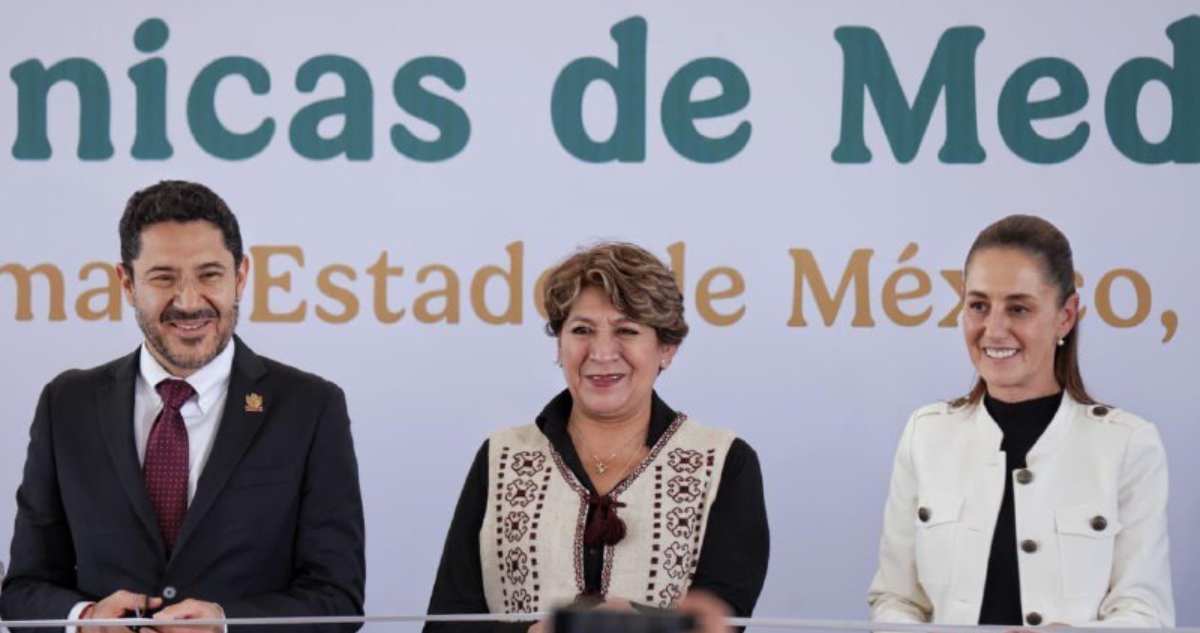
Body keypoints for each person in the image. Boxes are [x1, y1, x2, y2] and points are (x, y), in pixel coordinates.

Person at [0, 180, 366, 633]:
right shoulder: (66, 405)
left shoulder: (311, 407)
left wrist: (227, 624)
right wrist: (86, 619)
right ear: (127, 283)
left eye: (210, 274)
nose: (189, 301)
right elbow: (23, 590)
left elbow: (338, 597)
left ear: (241, 277)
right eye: (163, 277)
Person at [424, 242, 769, 633]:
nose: (602, 352)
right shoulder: (501, 455)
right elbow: (445, 624)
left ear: (667, 348)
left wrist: (633, 620)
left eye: (626, 330)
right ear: (559, 345)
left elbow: (721, 622)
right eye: (582, 330)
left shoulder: (723, 462)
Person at [868, 215, 1173, 627]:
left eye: (1018, 308)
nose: (994, 329)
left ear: (1065, 316)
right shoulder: (926, 434)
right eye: (979, 305)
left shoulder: (1127, 444)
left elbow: (1144, 612)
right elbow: (895, 600)